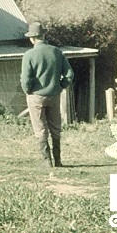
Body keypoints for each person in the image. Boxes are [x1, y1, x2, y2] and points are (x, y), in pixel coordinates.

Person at [21, 22, 74, 168]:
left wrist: (28, 91)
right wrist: (61, 86)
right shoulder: (56, 52)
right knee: (55, 127)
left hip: (36, 95)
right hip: (54, 94)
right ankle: (58, 160)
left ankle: (47, 161)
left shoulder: (29, 55)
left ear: (32, 38)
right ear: (44, 35)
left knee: (40, 128)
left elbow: (25, 80)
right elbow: (69, 74)